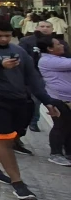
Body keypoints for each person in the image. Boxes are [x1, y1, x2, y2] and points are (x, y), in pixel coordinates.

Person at [0, 16, 60, 200]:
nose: (3, 39)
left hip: (20, 100)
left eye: (7, 36)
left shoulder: (18, 51)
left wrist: (47, 101)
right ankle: (18, 183)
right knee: (3, 138)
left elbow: (32, 78)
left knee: (11, 137)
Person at [38, 38, 71, 166]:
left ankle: (68, 152)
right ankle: (55, 154)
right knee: (61, 125)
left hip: (66, 98)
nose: (62, 45)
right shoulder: (48, 60)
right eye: (58, 44)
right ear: (50, 48)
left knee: (68, 126)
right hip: (57, 98)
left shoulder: (60, 59)